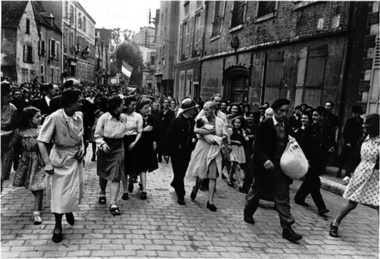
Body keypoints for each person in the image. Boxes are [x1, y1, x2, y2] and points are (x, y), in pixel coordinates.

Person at [243, 98, 302, 242]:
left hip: (281, 169)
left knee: (283, 198)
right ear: (274, 111)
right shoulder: (264, 125)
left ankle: (287, 228)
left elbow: (288, 145)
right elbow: (257, 147)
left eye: (285, 111)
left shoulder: (286, 126)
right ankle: (248, 212)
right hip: (264, 168)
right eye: (281, 111)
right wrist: (265, 160)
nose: (283, 114)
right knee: (255, 193)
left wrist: (293, 143)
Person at [37, 88, 85, 243]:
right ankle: (58, 226)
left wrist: (83, 148)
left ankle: (69, 209)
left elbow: (81, 136)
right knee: (59, 195)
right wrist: (47, 162)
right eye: (79, 101)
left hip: (75, 160)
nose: (81, 103)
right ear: (70, 103)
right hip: (60, 160)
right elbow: (41, 141)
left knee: (74, 191)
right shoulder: (54, 117)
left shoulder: (79, 116)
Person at [329, 114, 379, 238]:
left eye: (366, 123)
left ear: (373, 125)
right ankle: (335, 223)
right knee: (352, 203)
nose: (363, 125)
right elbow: (354, 157)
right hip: (361, 173)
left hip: (377, 176)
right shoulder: (363, 139)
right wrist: (347, 174)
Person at [294, 106, 336, 215]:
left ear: (322, 116)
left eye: (316, 115)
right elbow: (302, 145)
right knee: (314, 182)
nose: (314, 117)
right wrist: (305, 159)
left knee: (310, 181)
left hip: (321, 161)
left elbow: (331, 143)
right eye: (313, 115)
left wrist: (331, 148)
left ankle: (299, 197)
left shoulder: (328, 129)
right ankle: (321, 206)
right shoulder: (309, 128)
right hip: (309, 160)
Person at [8, 107, 46, 224]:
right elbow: (10, 143)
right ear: (29, 119)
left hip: (39, 160)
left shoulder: (42, 129)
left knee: (38, 186)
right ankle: (38, 203)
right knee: (31, 185)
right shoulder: (20, 131)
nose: (40, 119)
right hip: (26, 160)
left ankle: (36, 213)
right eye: (37, 117)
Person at [187, 101, 228, 211]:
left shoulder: (220, 121)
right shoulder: (201, 120)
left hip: (214, 150)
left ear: (213, 110)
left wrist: (222, 138)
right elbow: (196, 130)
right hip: (203, 148)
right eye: (204, 109)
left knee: (212, 176)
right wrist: (211, 131)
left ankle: (210, 201)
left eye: (208, 109)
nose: (205, 111)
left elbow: (225, 134)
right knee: (201, 175)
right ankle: (195, 188)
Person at [95, 96, 127, 215]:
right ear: (115, 106)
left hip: (118, 148)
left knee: (116, 175)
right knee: (103, 172)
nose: (125, 107)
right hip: (105, 147)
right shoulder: (104, 118)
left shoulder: (123, 118)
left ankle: (113, 203)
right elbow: (97, 135)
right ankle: (102, 192)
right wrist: (102, 144)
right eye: (122, 105)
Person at [162, 98, 197, 205]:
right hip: (176, 152)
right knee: (179, 172)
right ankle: (181, 194)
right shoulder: (176, 121)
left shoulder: (192, 120)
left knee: (182, 172)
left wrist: (193, 141)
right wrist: (166, 153)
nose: (195, 110)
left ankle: (175, 182)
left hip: (187, 151)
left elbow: (192, 134)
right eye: (193, 108)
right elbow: (169, 137)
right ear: (188, 109)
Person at [136, 98, 159, 200]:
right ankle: (136, 181)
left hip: (148, 146)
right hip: (138, 145)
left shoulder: (152, 118)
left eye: (148, 107)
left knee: (143, 167)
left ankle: (144, 190)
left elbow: (157, 131)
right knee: (139, 167)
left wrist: (155, 141)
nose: (148, 109)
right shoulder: (136, 118)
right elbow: (131, 132)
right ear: (140, 109)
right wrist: (143, 130)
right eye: (145, 108)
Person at [122, 96, 143, 199]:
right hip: (123, 140)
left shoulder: (138, 116)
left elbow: (140, 131)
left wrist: (135, 142)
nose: (134, 107)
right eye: (132, 105)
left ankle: (131, 180)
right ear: (126, 105)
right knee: (124, 166)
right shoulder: (121, 116)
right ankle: (125, 190)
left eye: (135, 105)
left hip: (134, 140)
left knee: (133, 166)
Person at [336, 105, 364, 178]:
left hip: (357, 142)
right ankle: (340, 170)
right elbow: (345, 132)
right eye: (354, 113)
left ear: (359, 113)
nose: (355, 114)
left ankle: (348, 173)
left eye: (357, 113)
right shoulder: (350, 121)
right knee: (344, 157)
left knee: (353, 158)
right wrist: (347, 141)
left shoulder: (362, 121)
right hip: (349, 141)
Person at [1, 81, 18, 192]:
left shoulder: (13, 109)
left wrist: (10, 143)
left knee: (1, 177)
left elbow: (16, 129)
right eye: (7, 97)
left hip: (5, 146)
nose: (10, 99)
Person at [227, 116, 247, 188]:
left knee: (234, 166)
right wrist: (234, 141)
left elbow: (244, 138)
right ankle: (240, 183)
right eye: (236, 122)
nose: (237, 124)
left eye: (239, 122)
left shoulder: (242, 130)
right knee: (237, 165)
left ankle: (229, 179)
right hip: (233, 148)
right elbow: (227, 139)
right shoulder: (230, 130)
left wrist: (247, 137)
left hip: (240, 149)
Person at [157, 99, 175, 163]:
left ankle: (165, 156)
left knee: (165, 144)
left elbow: (173, 122)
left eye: (167, 102)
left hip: (167, 131)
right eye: (165, 102)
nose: (166, 104)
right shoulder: (161, 112)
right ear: (163, 104)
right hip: (161, 131)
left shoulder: (171, 112)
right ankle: (159, 157)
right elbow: (158, 121)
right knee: (160, 144)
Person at [90, 94, 107, 161]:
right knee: (94, 140)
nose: (99, 100)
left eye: (100, 99)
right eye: (98, 99)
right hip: (95, 123)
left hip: (102, 124)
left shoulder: (104, 106)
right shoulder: (93, 106)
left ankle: (99, 153)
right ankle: (93, 153)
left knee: (101, 139)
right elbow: (90, 114)